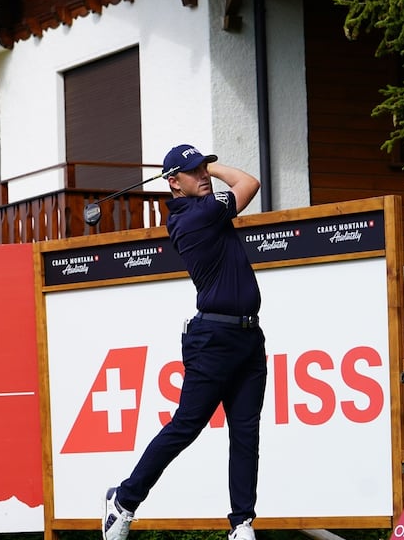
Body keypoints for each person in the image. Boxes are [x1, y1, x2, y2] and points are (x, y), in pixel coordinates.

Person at [102, 144, 267, 540]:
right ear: (173, 183)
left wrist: (202, 168)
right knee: (187, 425)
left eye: (204, 168)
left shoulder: (205, 208)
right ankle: (123, 501)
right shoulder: (195, 216)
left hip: (247, 336)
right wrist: (215, 165)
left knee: (246, 432)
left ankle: (241, 524)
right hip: (213, 339)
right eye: (194, 171)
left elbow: (241, 187)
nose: (204, 175)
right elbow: (249, 182)